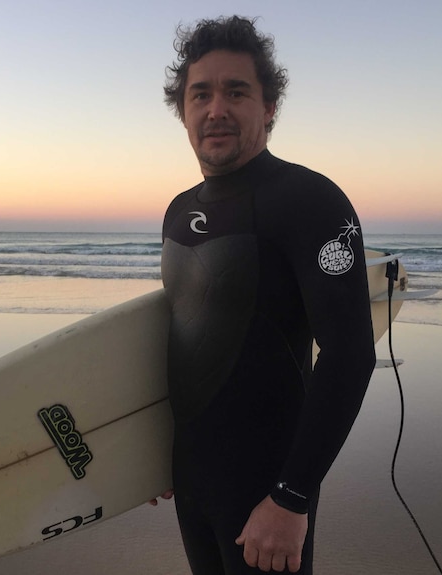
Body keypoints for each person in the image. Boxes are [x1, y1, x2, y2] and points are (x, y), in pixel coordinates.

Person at [152, 15, 377, 574]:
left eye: (236, 92)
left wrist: (292, 497)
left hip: (269, 493)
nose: (215, 109)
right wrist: (149, 458)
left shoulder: (310, 201)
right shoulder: (179, 212)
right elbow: (184, 341)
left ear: (269, 105)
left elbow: (351, 356)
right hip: (193, 484)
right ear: (182, 109)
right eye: (200, 94)